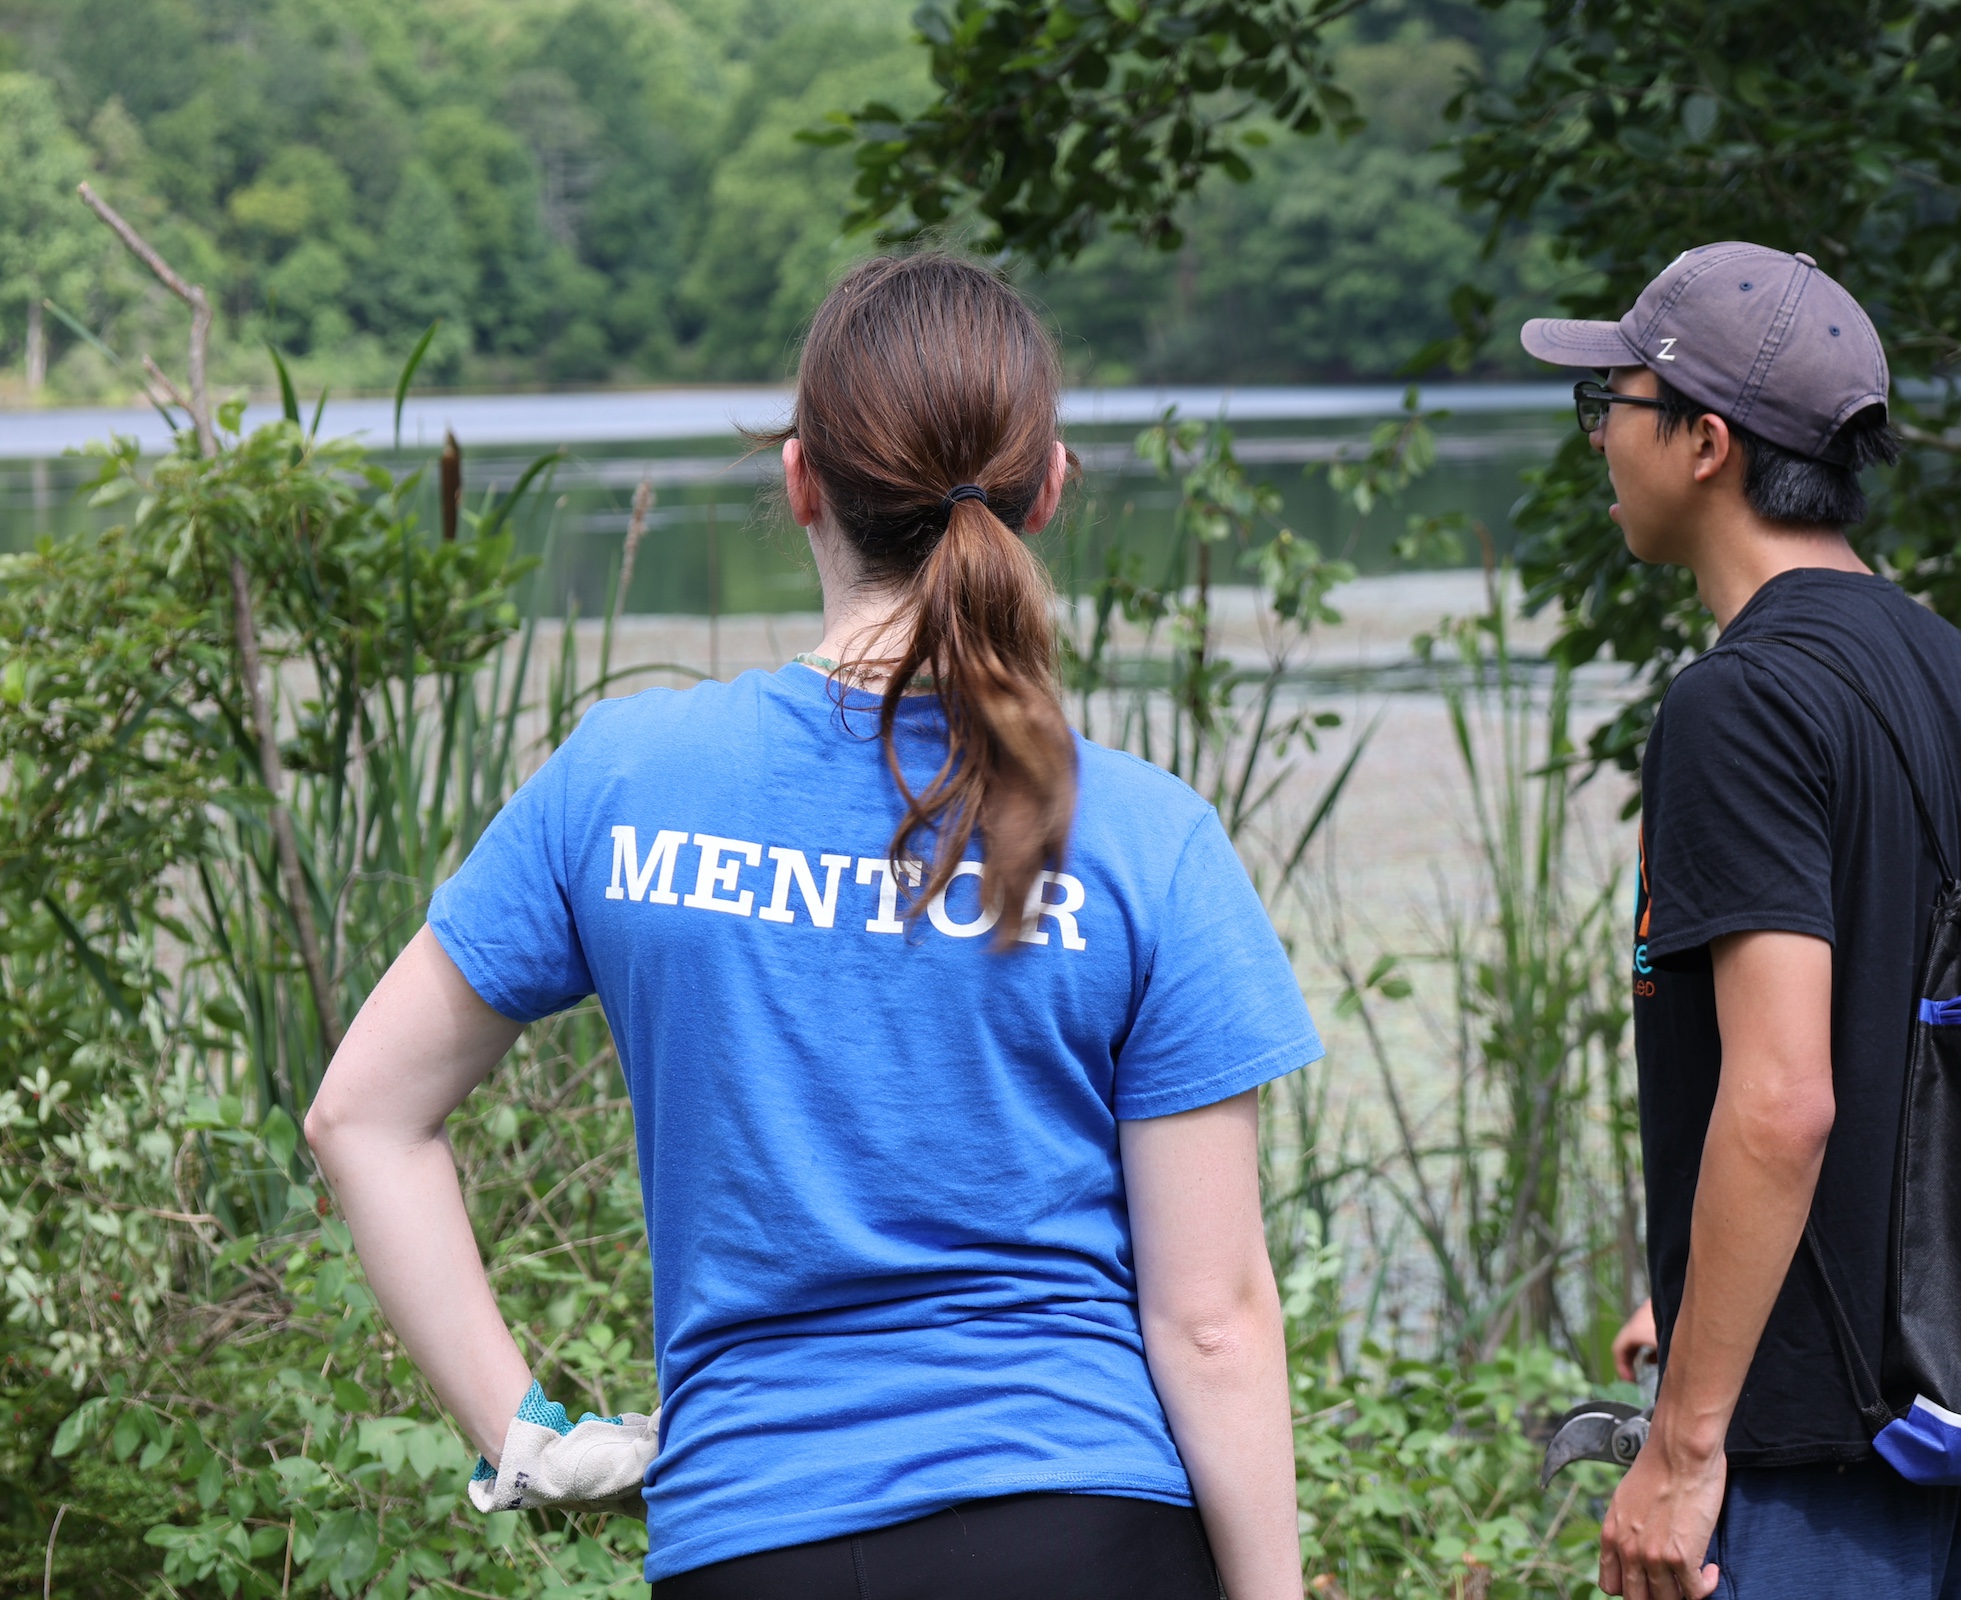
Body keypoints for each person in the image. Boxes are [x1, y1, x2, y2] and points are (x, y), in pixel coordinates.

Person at [306, 254, 1322, 1599]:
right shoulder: (1148, 837)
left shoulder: (624, 780)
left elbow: (361, 1119)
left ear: (802, 482)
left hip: (757, 1542)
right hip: (1087, 1527)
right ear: (1050, 490)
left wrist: (531, 1436)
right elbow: (1210, 1323)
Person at [1521, 243, 1961, 1600]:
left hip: (1810, 1460)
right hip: (1951, 1407)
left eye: (1609, 407)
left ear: (1705, 442)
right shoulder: (1951, 670)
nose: (1598, 444)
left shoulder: (1737, 703)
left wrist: (1685, 1448)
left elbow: (1787, 1096)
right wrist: (1691, 1305)